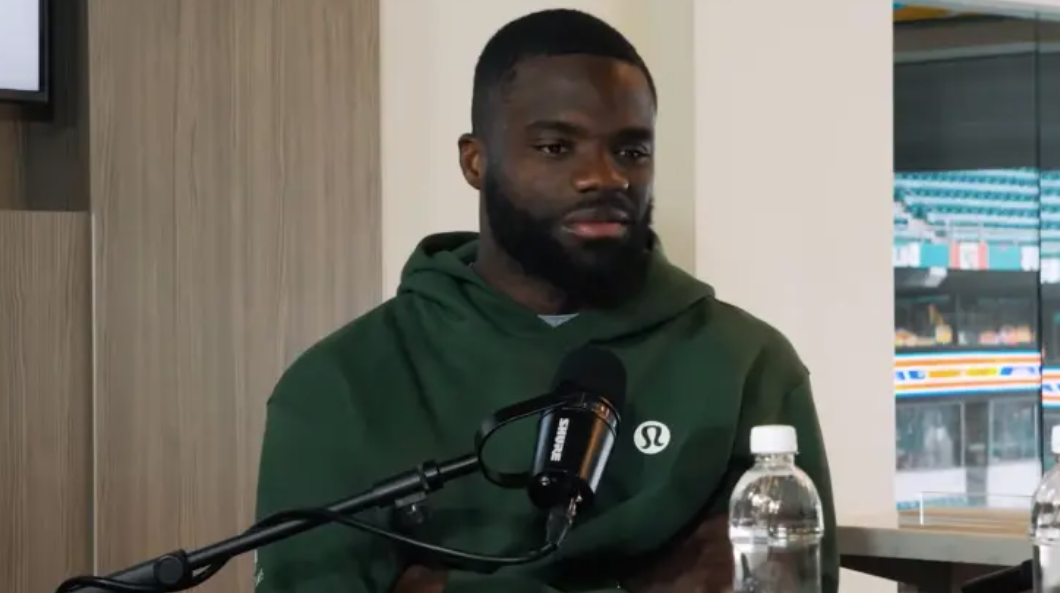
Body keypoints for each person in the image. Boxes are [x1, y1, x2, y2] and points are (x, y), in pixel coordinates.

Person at [254, 8, 839, 593]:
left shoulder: (747, 364)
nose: (605, 177)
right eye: (557, 147)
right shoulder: (338, 386)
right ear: (475, 161)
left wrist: (444, 587)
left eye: (632, 152)